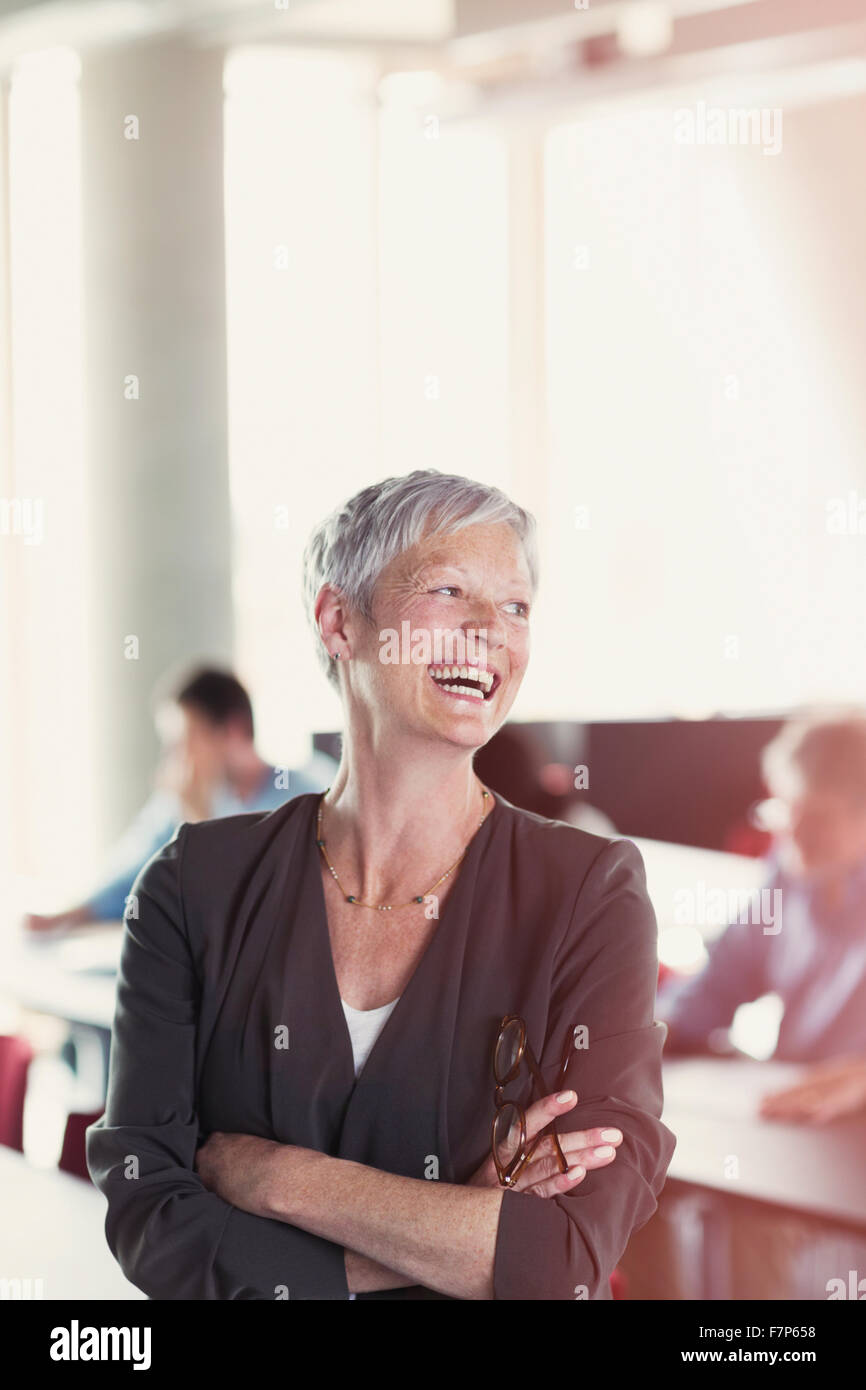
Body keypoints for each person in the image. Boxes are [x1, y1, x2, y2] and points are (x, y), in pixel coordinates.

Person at [86, 470, 674, 1301]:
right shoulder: (194, 886)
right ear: (339, 621)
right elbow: (150, 1219)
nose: (489, 631)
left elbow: (560, 1255)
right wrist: (457, 1230)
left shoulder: (590, 892)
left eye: (515, 607)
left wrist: (277, 1180)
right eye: (449, 589)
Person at [658, 709, 866, 1124]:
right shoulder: (789, 873)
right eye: (789, 809)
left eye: (821, 818)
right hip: (792, 1114)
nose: (796, 834)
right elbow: (721, 984)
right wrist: (653, 1031)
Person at [24, 665, 334, 932]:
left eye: (186, 740)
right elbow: (134, 869)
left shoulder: (306, 794)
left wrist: (197, 821)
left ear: (233, 730)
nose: (178, 757)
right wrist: (73, 915)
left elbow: (237, 911)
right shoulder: (187, 799)